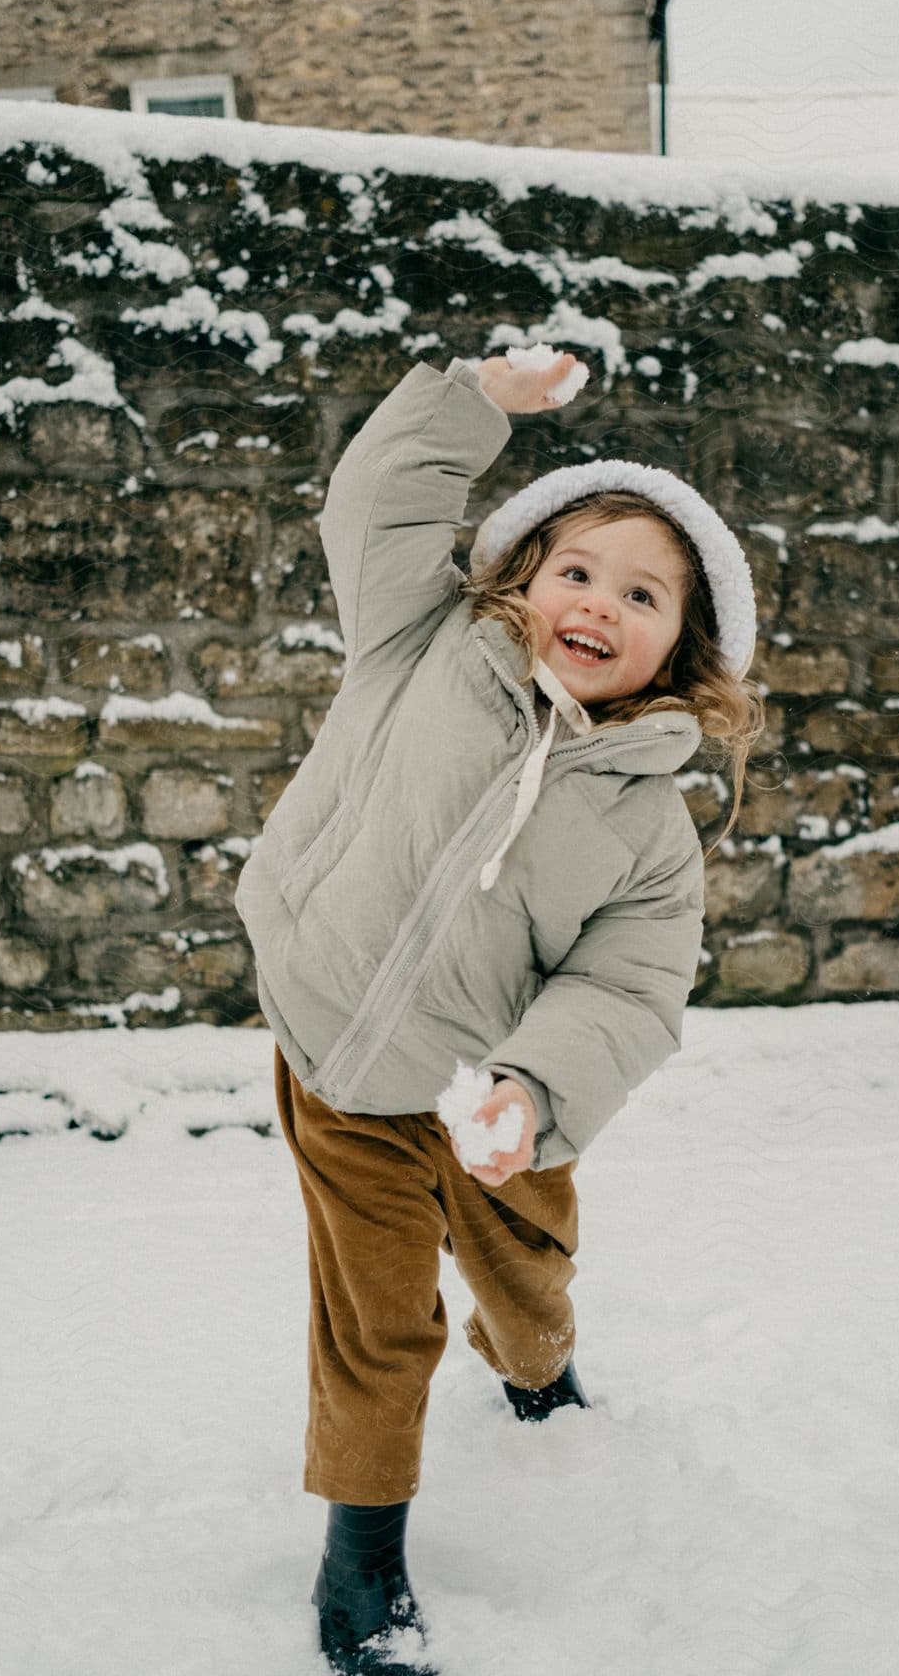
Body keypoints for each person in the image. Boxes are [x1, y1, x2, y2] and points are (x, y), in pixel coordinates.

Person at [234, 348, 763, 1674]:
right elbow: (373, 503)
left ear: (679, 649)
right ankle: (365, 1553)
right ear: (519, 579)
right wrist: (471, 403)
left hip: (493, 1102)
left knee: (527, 1283)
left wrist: (532, 1092)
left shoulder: (649, 823)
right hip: (340, 1062)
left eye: (641, 594)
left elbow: (627, 987)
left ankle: (539, 1370)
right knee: (378, 1321)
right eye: (575, 571)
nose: (597, 603)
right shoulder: (415, 642)